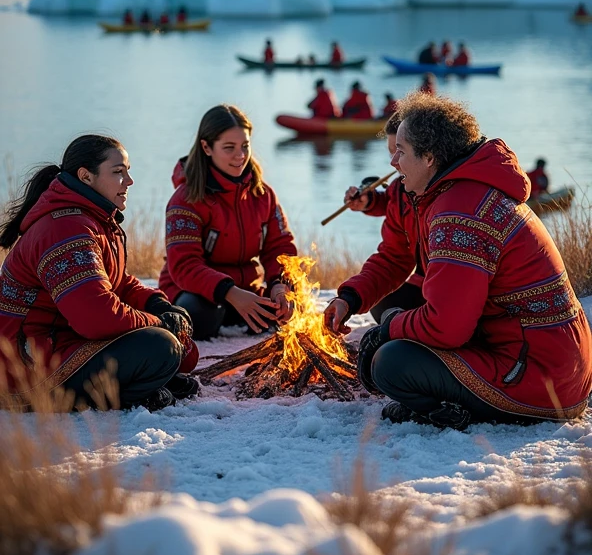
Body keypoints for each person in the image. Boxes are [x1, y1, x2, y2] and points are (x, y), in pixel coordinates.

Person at [324, 93, 592, 430]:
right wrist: (351, 298)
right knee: (396, 332)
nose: (393, 163)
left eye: (401, 152)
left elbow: (445, 327)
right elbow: (394, 258)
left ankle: (447, 409)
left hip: (540, 378)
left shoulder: (458, 211)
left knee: (391, 363)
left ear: (430, 158)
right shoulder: (457, 191)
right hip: (557, 365)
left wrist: (388, 328)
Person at [0, 135, 199, 412]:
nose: (129, 181)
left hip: (64, 341)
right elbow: (96, 317)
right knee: (161, 346)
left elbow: (117, 283)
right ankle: (119, 397)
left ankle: (145, 385)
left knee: (180, 347)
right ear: (86, 177)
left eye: (128, 171)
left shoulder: (97, 219)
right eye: (118, 172)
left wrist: (160, 305)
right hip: (24, 369)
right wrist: (158, 323)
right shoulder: (65, 228)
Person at [158, 105, 297, 340]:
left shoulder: (263, 194)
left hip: (248, 293)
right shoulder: (185, 199)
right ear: (206, 147)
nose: (240, 155)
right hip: (196, 294)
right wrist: (230, 292)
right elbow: (185, 266)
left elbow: (280, 247)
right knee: (200, 315)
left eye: (245, 146)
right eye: (229, 148)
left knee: (292, 309)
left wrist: (279, 285)